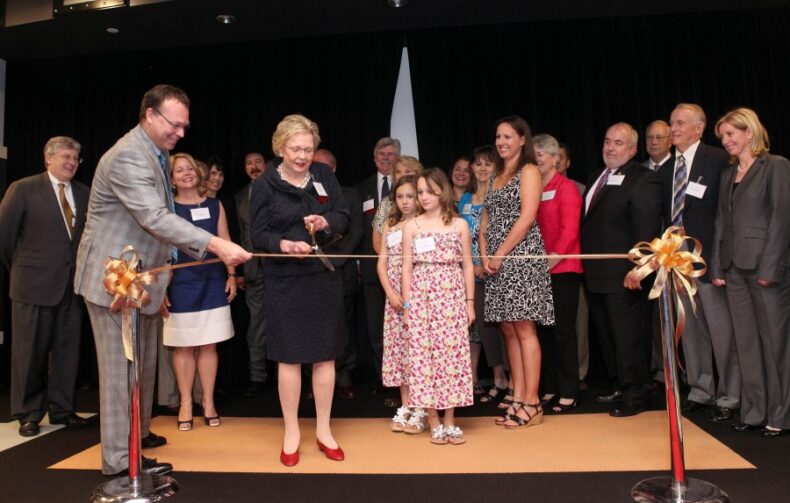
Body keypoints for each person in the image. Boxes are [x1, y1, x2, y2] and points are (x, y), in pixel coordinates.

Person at [74, 84, 251, 477]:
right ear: (150, 115)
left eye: (185, 126)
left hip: (144, 281)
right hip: (115, 282)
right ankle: (119, 465)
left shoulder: (156, 152)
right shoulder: (127, 156)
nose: (181, 133)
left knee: (142, 369)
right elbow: (154, 217)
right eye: (175, 124)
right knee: (120, 373)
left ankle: (136, 444)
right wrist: (216, 244)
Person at [250, 114, 350, 466]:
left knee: (325, 355)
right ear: (280, 147)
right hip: (285, 280)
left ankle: (324, 430)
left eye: (308, 149)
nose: (302, 156)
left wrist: (325, 222)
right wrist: (284, 244)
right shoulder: (265, 184)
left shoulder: (323, 176)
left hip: (322, 277)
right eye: (295, 149)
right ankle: (291, 432)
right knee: (289, 357)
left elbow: (343, 215)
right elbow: (257, 235)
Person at [0, 136, 90, 437]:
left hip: (72, 288)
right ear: (48, 158)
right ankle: (28, 413)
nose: (71, 162)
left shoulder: (85, 193)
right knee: (29, 355)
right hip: (31, 287)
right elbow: (4, 238)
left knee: (67, 353)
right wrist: (25, 270)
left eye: (76, 158)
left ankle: (63, 410)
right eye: (65, 156)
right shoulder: (23, 189)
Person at [711, 107, 790, 438]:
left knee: (775, 345)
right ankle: (755, 411)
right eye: (723, 136)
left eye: (731, 134)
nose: (726, 141)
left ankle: (781, 416)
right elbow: (721, 222)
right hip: (733, 269)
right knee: (746, 345)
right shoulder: (728, 175)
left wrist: (770, 266)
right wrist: (717, 264)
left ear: (749, 132)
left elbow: (781, 219)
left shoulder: (776, 166)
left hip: (764, 268)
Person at [580, 122, 662, 418]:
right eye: (607, 141)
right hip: (597, 275)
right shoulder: (596, 177)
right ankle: (619, 386)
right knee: (609, 337)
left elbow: (647, 230)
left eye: (618, 143)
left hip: (626, 276)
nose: (610, 148)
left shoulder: (643, 179)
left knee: (629, 338)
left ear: (632, 149)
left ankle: (636, 393)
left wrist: (638, 269)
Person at [664, 103, 739, 421]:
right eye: (671, 123)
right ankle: (700, 390)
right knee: (690, 329)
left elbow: (727, 213)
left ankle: (730, 395)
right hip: (676, 258)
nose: (673, 129)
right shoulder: (667, 166)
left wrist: (721, 259)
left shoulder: (718, 159)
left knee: (722, 331)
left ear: (699, 127)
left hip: (709, 259)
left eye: (680, 123)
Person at [479, 115, 555, 429]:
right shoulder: (495, 174)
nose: (501, 142)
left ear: (523, 139)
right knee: (508, 329)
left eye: (508, 136)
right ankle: (518, 395)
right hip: (496, 262)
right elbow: (485, 219)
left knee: (524, 329)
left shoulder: (529, 170)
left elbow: (527, 217)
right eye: (498, 136)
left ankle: (533, 402)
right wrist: (485, 253)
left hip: (521, 258)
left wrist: (500, 254)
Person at [402, 168, 475, 444]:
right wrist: (408, 305)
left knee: (452, 358)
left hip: (452, 297)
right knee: (424, 359)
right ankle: (433, 420)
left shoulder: (459, 225)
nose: (424, 197)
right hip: (421, 298)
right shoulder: (412, 226)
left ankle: (450, 420)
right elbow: (406, 268)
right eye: (420, 191)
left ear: (442, 191)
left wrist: (469, 303)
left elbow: (467, 265)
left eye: (430, 191)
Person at [164, 153, 236, 431]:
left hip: (213, 281)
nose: (186, 173)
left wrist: (231, 275)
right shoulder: (167, 209)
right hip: (181, 282)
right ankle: (185, 402)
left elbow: (225, 241)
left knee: (209, 345)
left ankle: (208, 401)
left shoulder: (215, 205)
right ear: (171, 179)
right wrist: (161, 287)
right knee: (183, 346)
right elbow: (161, 248)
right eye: (179, 170)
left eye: (190, 169)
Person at [533, 134, 583, 413]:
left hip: (563, 269)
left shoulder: (566, 188)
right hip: (539, 270)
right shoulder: (534, 188)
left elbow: (570, 230)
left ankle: (569, 391)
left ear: (555, 158)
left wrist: (552, 260)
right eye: (534, 154)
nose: (537, 158)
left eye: (541, 154)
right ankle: (550, 387)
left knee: (563, 332)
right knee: (544, 332)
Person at [458, 145, 509, 403]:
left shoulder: (499, 195)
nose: (482, 168)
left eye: (487, 163)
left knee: (505, 328)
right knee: (484, 329)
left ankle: (511, 380)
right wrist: (472, 265)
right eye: (477, 163)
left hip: (497, 270)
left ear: (496, 167)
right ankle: (498, 378)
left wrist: (488, 262)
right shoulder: (465, 200)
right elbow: (459, 238)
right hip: (473, 275)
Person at [313, 148, 364, 400]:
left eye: (323, 166)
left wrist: (337, 258)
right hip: (311, 271)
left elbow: (356, 231)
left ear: (333, 169)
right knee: (314, 326)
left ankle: (344, 378)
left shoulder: (350, 194)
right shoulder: (303, 194)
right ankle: (314, 381)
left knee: (344, 325)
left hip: (342, 269)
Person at [377, 175, 421, 432]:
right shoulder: (391, 225)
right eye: (400, 197)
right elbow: (381, 264)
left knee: (418, 351)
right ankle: (406, 405)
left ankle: (421, 406)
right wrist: (391, 294)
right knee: (400, 352)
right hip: (394, 299)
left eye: (410, 196)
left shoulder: (424, 225)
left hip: (419, 296)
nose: (405, 202)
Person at [356, 137, 399, 396]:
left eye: (391, 154)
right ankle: (383, 379)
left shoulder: (411, 189)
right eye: (381, 154)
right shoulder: (362, 189)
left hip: (403, 273)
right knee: (376, 327)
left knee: (400, 326)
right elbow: (358, 230)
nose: (386, 158)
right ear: (374, 158)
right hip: (373, 270)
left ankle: (402, 380)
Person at [235, 151, 269, 396]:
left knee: (284, 323)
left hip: (281, 270)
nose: (253, 167)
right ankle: (258, 376)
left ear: (266, 165)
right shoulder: (240, 196)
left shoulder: (279, 190)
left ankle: (286, 373)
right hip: (253, 271)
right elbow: (238, 236)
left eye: (258, 162)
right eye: (248, 163)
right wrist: (239, 271)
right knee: (256, 325)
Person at [372, 156, 423, 254]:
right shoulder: (386, 202)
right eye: (398, 172)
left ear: (418, 174)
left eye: (407, 171)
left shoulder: (425, 199)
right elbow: (377, 241)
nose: (402, 175)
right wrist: (392, 260)